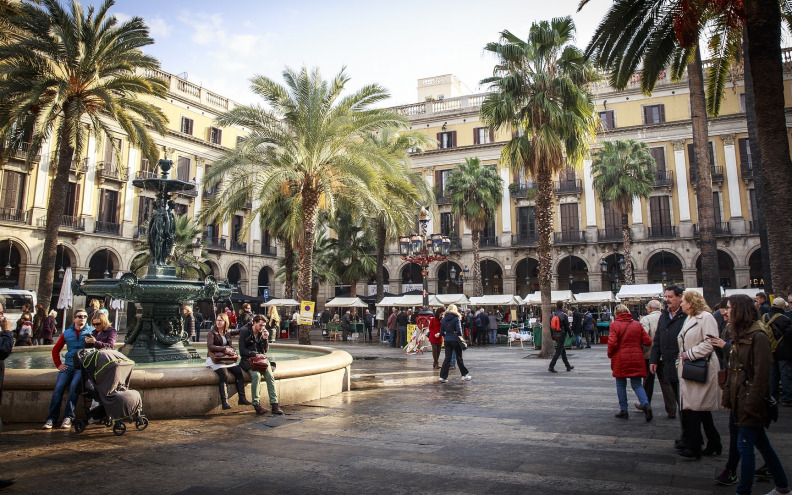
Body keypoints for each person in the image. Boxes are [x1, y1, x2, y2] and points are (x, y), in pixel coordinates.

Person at [722, 294, 791, 495]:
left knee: (745, 449)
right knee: (763, 445)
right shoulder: (740, 333)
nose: (726, 311)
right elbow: (733, 369)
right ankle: (783, 487)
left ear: (740, 310)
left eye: (729, 307)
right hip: (739, 399)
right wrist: (727, 397)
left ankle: (743, 492)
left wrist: (751, 405)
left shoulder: (758, 335)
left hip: (749, 401)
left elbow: (762, 376)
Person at [676, 289, 722, 460]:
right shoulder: (690, 318)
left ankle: (693, 447)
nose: (681, 304)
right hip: (690, 367)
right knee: (699, 408)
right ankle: (714, 442)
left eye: (683, 301)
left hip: (701, 367)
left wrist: (690, 354)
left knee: (694, 407)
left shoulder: (706, 317)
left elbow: (711, 342)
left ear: (691, 302)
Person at [43, 309, 94, 429]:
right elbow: (56, 349)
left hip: (82, 366)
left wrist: (92, 342)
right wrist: (58, 365)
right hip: (68, 365)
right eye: (79, 316)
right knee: (58, 388)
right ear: (74, 319)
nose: (82, 318)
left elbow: (95, 349)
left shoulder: (91, 331)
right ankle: (51, 418)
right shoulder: (66, 333)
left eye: (85, 316)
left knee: (73, 389)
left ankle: (68, 417)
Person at [608, 304, 653, 421]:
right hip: (636, 358)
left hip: (620, 358)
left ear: (616, 313)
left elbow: (612, 343)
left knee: (620, 384)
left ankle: (624, 410)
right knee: (637, 384)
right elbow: (648, 341)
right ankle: (646, 405)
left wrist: (610, 354)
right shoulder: (637, 324)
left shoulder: (614, 325)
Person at [649, 285, 687, 422]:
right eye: (666, 297)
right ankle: (687, 434)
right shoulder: (664, 315)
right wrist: (653, 359)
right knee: (678, 396)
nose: (667, 300)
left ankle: (690, 435)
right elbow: (657, 338)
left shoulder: (687, 315)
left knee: (685, 401)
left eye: (670, 297)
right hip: (668, 362)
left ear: (680, 297)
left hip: (683, 363)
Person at [238, 315, 283, 415]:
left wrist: (265, 339)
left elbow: (265, 351)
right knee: (256, 375)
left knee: (270, 376)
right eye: (260, 325)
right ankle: (256, 405)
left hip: (261, 361)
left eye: (263, 326)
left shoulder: (261, 333)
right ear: (254, 323)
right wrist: (254, 354)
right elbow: (242, 350)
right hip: (249, 361)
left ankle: (274, 404)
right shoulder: (245, 331)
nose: (262, 328)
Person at [206, 313, 250, 410]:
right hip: (216, 359)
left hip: (226, 358)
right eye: (217, 320)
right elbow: (210, 346)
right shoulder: (212, 332)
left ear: (225, 322)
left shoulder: (227, 332)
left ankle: (242, 398)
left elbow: (238, 331)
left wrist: (249, 325)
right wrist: (224, 349)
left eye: (220, 320)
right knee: (224, 374)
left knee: (239, 372)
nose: (218, 322)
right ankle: (224, 402)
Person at [764, 297, 792, 408]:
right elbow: (790, 335)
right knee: (786, 375)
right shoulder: (783, 318)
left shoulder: (764, 317)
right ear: (782, 307)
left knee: (772, 375)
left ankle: (772, 397)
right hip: (783, 351)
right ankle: (787, 399)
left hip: (769, 351)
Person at [638, 300, 662, 409]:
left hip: (649, 354)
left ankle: (645, 404)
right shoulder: (666, 318)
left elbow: (644, 337)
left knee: (648, 381)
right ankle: (671, 409)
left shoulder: (646, 319)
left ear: (649, 308)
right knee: (666, 382)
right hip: (664, 355)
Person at [438, 304, 471, 382]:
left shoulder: (444, 319)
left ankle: (443, 377)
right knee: (459, 358)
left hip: (447, 340)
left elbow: (441, 332)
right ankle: (464, 375)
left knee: (447, 358)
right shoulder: (456, 318)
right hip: (455, 340)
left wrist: (447, 335)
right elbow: (459, 331)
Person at [548, 301, 574, 373]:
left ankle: (567, 366)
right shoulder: (564, 315)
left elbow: (550, 327)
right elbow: (567, 327)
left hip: (555, 334)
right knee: (559, 351)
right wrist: (570, 335)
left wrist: (552, 335)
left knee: (562, 350)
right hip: (562, 334)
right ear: (562, 306)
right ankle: (551, 366)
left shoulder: (552, 315)